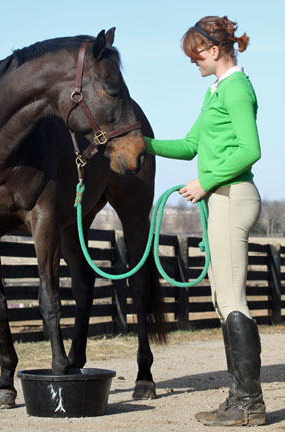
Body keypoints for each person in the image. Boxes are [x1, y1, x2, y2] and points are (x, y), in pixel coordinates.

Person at [145, 16, 265, 427]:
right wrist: (142, 142)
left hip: (232, 197)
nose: (192, 61)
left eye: (195, 54)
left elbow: (250, 149)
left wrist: (206, 181)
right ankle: (239, 399)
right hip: (220, 200)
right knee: (222, 300)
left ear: (215, 51)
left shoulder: (236, 88)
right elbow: (190, 145)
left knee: (232, 301)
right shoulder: (216, 91)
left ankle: (249, 404)